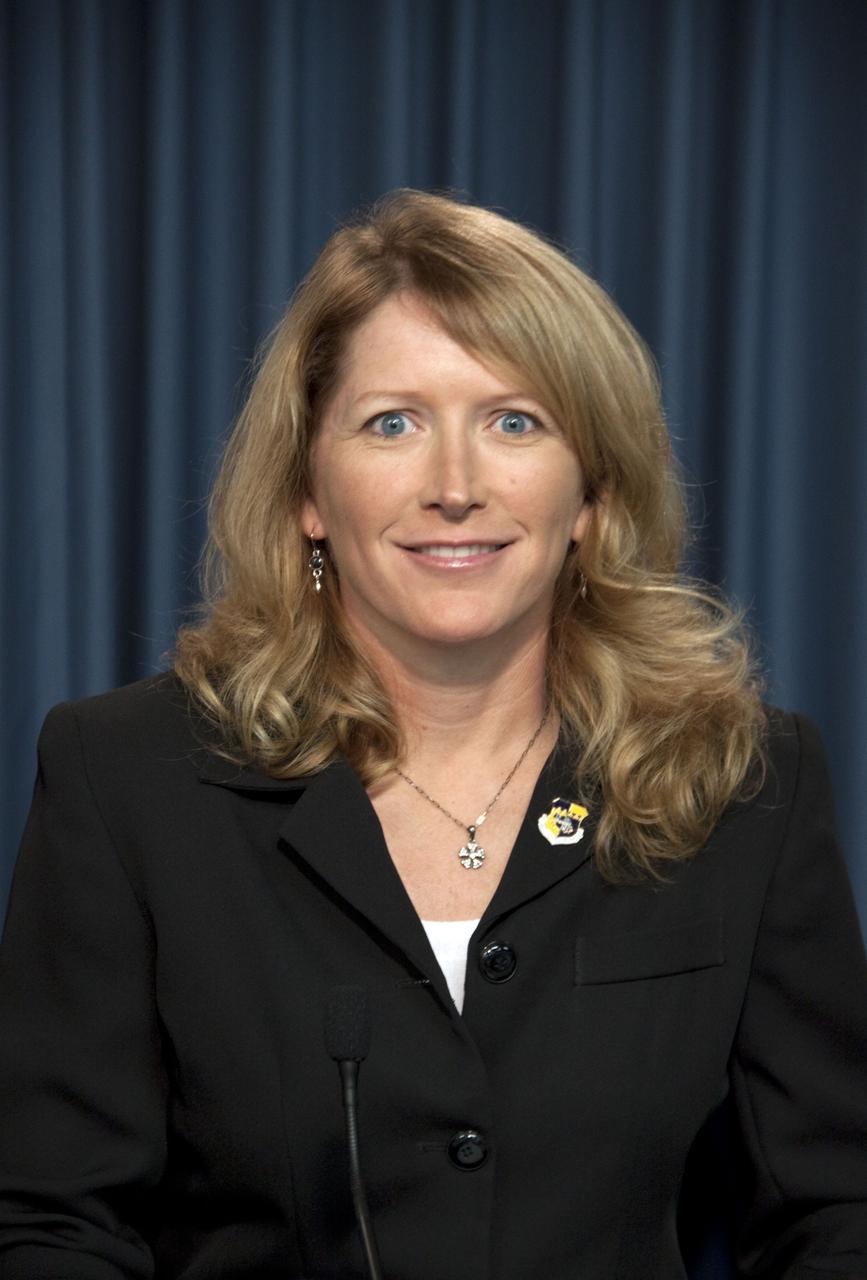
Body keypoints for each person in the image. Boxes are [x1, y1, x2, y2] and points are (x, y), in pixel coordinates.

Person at [1, 190, 866, 1280]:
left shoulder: (745, 781)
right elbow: (51, 1225)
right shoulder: (125, 779)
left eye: (516, 421)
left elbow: (838, 1212)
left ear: (590, 491)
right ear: (310, 488)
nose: (455, 486)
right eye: (392, 423)